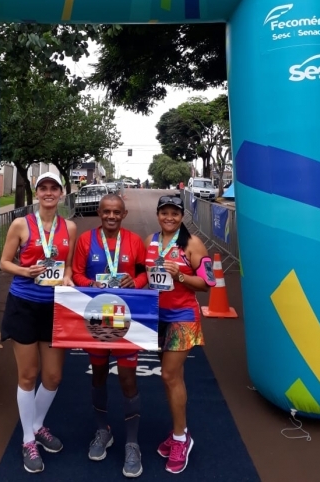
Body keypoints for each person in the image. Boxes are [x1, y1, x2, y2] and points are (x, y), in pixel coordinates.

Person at [0, 172, 77, 474]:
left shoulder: (69, 227)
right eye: (43, 188)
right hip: (24, 305)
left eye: (53, 188)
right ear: (37, 192)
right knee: (28, 375)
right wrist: (25, 271)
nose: (48, 192)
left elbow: (67, 266)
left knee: (54, 376)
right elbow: (4, 262)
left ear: (60, 193)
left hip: (55, 307)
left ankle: (36, 424)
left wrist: (67, 277)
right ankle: (28, 439)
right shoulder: (21, 224)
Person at [72, 194, 148, 478]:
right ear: (99, 212)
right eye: (106, 212)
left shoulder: (134, 241)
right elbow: (76, 274)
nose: (111, 216)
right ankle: (103, 431)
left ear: (124, 214)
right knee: (99, 375)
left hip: (126, 319)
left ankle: (132, 443)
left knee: (128, 380)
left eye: (117, 212)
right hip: (97, 318)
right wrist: (90, 284)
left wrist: (135, 281)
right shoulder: (85, 240)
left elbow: (144, 273)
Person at [144, 195, 216, 475]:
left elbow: (208, 282)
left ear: (181, 216)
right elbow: (144, 275)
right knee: (173, 378)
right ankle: (179, 432)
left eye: (174, 213)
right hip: (157, 316)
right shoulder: (150, 241)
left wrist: (180, 277)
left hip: (183, 316)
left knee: (168, 375)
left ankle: (180, 439)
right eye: (164, 212)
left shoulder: (192, 243)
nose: (169, 218)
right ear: (158, 215)